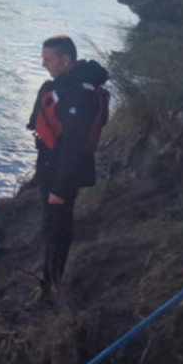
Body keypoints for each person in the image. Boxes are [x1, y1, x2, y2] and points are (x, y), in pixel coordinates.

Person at [27, 35, 109, 292]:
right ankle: (48, 277)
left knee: (58, 229)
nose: (44, 65)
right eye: (43, 59)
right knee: (51, 226)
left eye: (48, 59)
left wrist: (60, 189)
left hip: (61, 172)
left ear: (66, 60)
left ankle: (51, 286)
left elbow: (74, 146)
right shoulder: (66, 85)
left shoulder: (78, 95)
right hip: (51, 164)